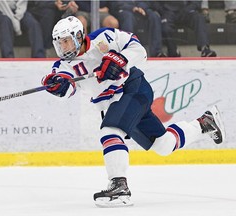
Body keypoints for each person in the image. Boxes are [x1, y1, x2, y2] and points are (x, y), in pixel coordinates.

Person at [41, 16, 225, 207]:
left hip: (133, 88)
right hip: (112, 103)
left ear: (78, 36)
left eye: (66, 41)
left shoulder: (105, 37)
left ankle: (119, 186)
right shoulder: (63, 66)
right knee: (163, 145)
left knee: (110, 131)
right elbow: (66, 88)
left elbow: (140, 51)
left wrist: (120, 59)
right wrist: (56, 86)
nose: (63, 47)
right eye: (60, 43)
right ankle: (204, 124)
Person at [152, 1, 217, 57]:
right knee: (165, 28)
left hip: (186, 10)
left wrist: (190, 7)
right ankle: (173, 51)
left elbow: (197, 1)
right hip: (167, 12)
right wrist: (162, 10)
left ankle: (205, 48)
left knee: (199, 18)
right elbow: (155, 2)